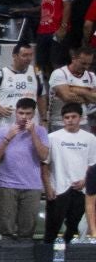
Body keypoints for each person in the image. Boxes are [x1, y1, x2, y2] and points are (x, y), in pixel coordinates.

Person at [0, 98, 49, 240]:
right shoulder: (3, 131)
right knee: (6, 229)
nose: (24, 117)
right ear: (16, 112)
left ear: (33, 114)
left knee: (27, 231)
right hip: (6, 185)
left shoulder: (41, 132)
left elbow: (44, 155)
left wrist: (33, 133)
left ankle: (23, 259)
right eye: (21, 113)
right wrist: (8, 138)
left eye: (28, 113)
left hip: (32, 186)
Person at [46, 104, 95, 247]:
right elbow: (45, 165)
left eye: (73, 117)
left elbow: (93, 164)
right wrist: (48, 186)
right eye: (66, 117)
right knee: (52, 228)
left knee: (74, 229)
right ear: (62, 119)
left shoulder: (90, 138)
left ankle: (70, 261)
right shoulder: (52, 137)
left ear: (81, 118)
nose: (70, 120)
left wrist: (85, 181)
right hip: (59, 188)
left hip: (81, 189)